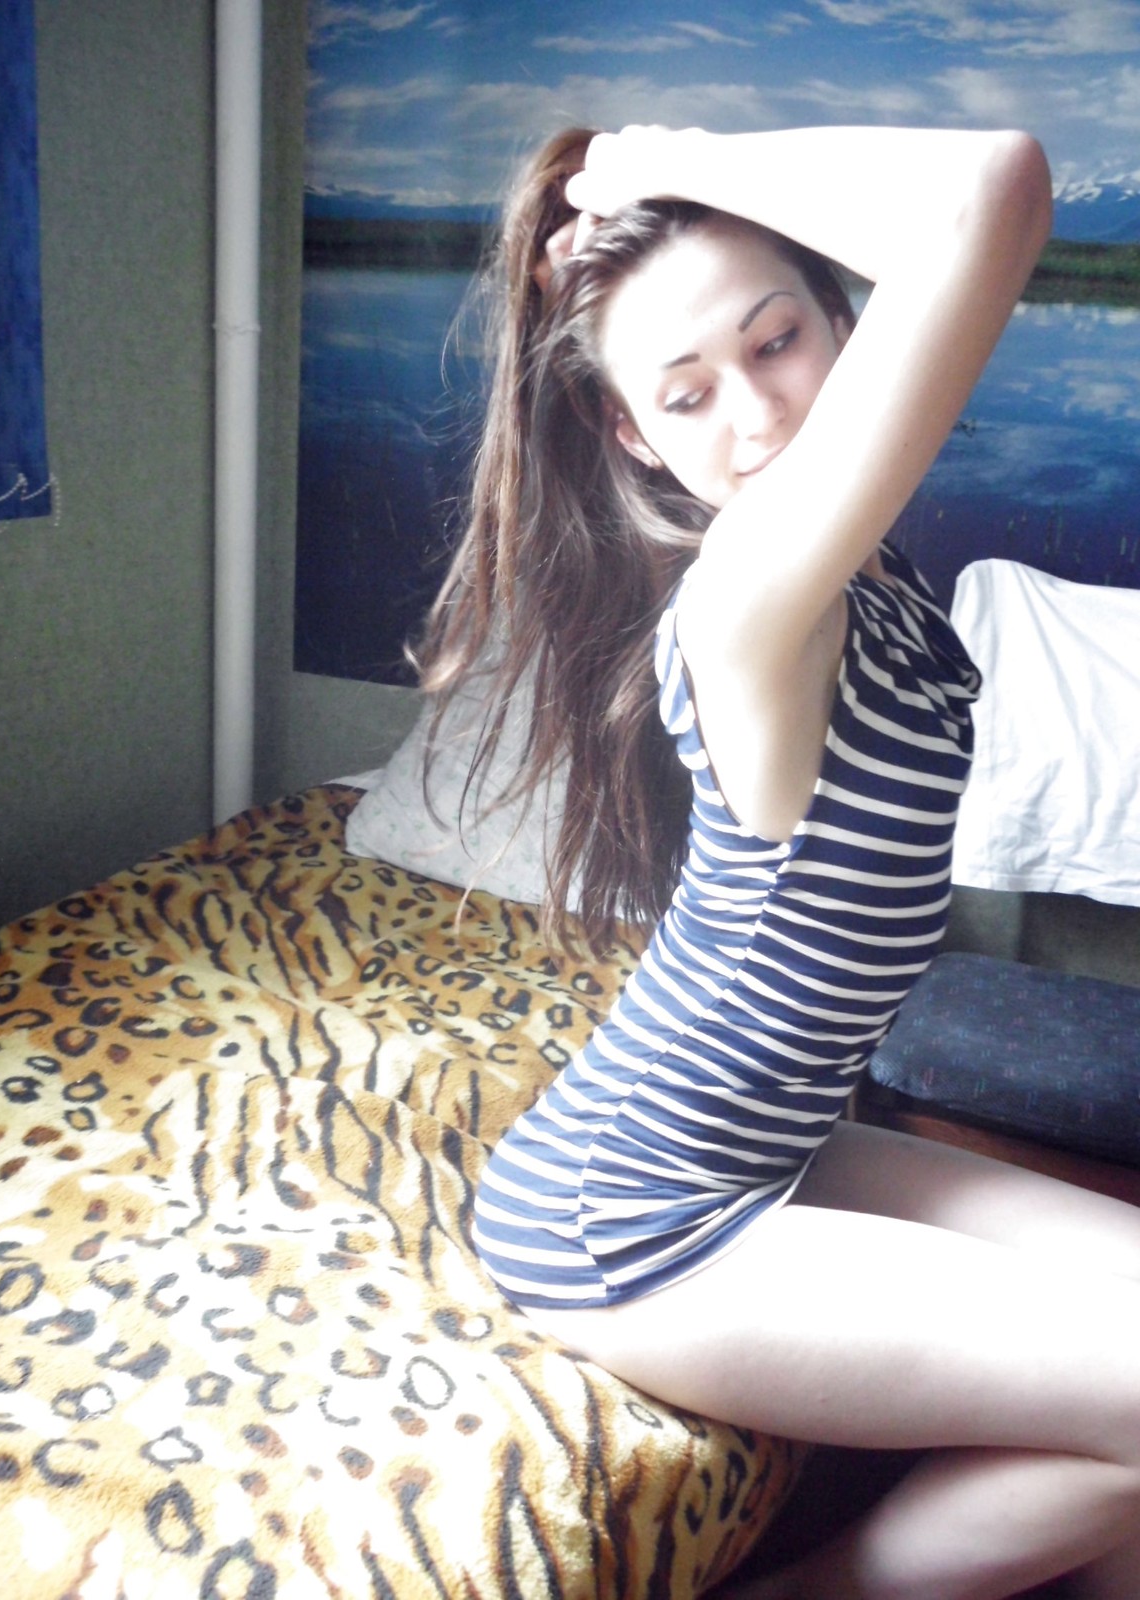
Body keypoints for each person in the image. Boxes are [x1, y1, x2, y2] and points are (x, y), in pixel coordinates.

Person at [415, 123, 1140, 1598]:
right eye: (687, 393)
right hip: (632, 1217)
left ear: (845, 326)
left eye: (780, 340)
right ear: (637, 436)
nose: (758, 415)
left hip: (780, 1145)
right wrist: (664, 155)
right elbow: (993, 189)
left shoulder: (871, 573)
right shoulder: (747, 594)